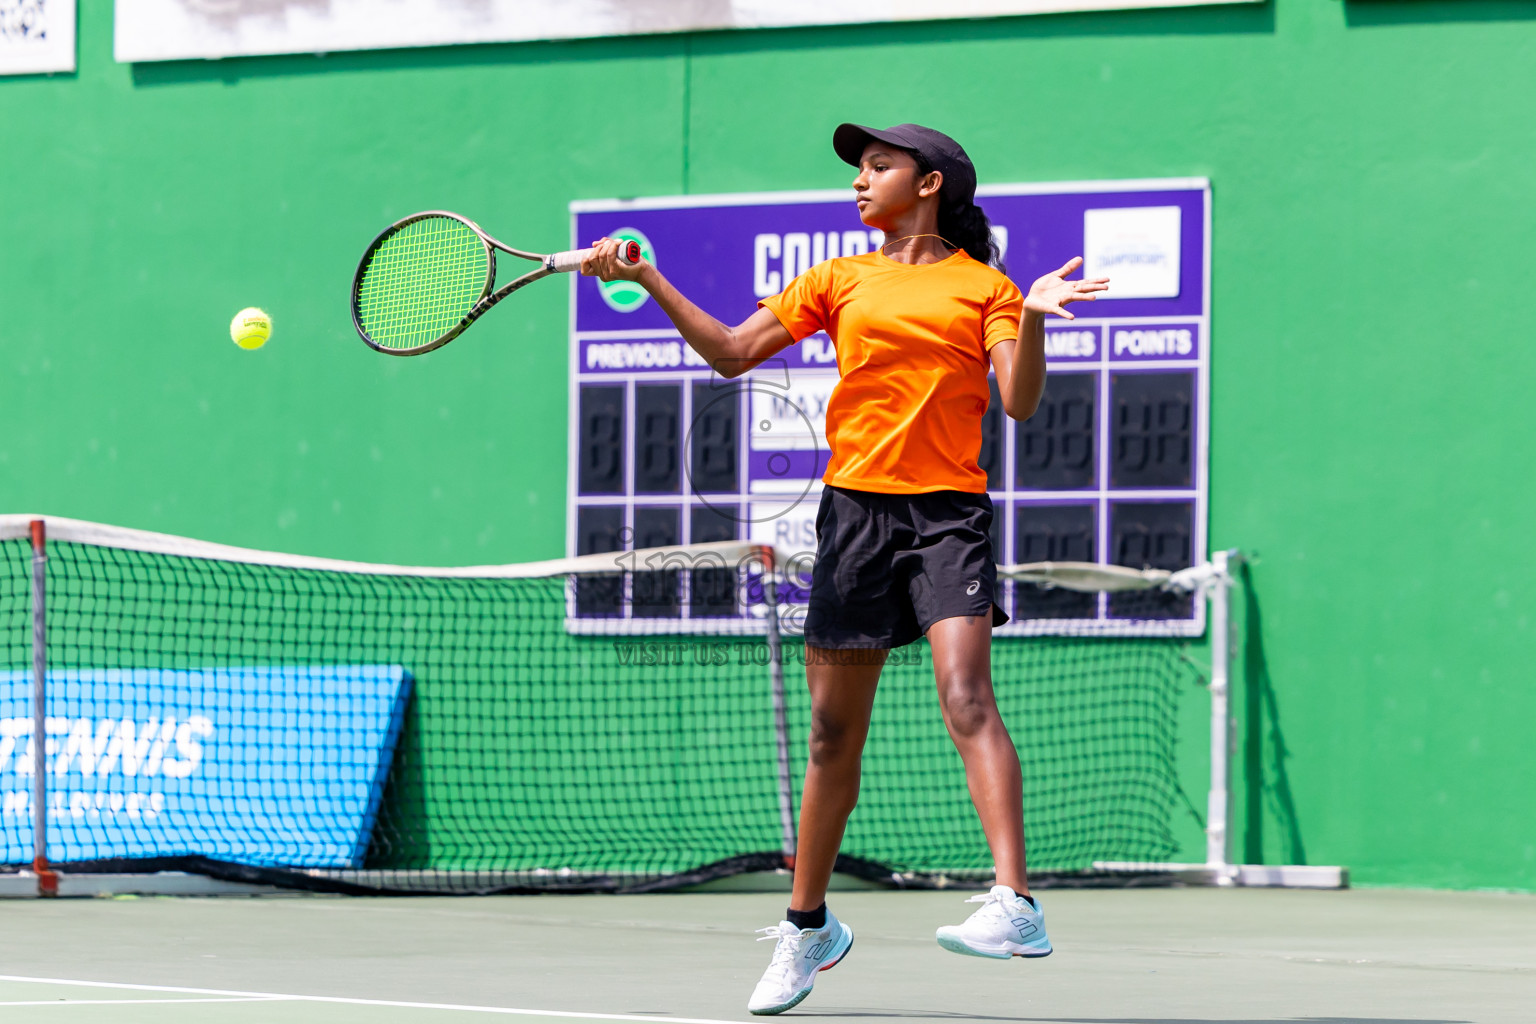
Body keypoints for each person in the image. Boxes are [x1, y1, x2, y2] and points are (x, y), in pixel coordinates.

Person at [582, 122, 1108, 1016]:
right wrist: (647, 279)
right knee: (832, 738)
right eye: (858, 169)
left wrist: (1035, 318)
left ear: (930, 182)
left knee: (966, 695)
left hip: (948, 518)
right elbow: (731, 353)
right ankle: (807, 927)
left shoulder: (989, 288)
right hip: (855, 517)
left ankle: (1015, 904)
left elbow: (1018, 403)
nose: (859, 182)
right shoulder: (838, 278)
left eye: (878, 166)